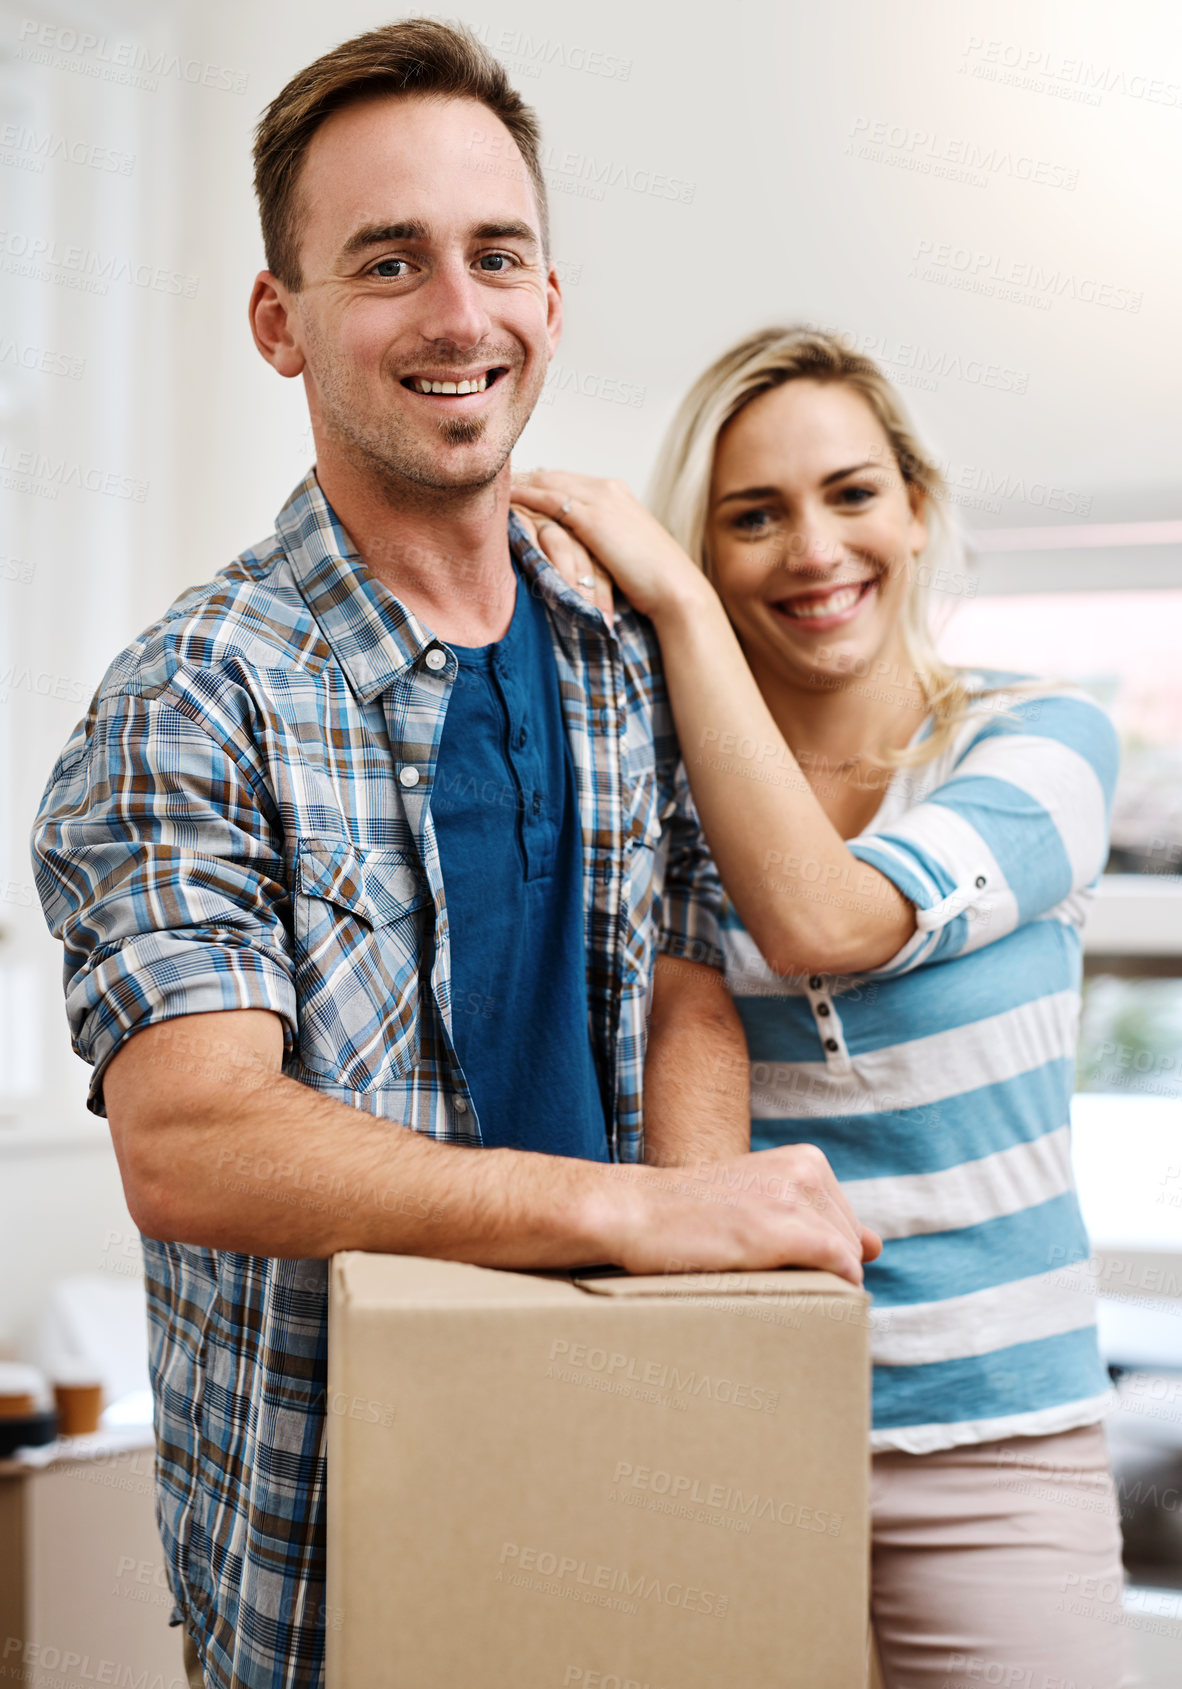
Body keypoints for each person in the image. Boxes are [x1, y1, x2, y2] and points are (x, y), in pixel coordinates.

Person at [28, 38, 879, 1689]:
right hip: (336, 1553)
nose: (457, 313)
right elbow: (193, 1137)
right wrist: (635, 1216)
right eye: (387, 261)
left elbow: (686, 969)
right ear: (279, 320)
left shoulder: (615, 647)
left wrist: (696, 1280)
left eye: (495, 256)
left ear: (552, 298)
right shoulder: (190, 693)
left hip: (637, 1467)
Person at [512, 325, 1128, 1689]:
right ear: (712, 544)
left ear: (914, 505)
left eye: (850, 492)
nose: (811, 549)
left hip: (998, 1445)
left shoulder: (1040, 745)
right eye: (751, 516)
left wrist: (668, 596)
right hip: (740, 1431)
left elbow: (824, 920)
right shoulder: (656, 804)